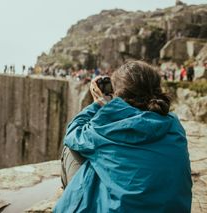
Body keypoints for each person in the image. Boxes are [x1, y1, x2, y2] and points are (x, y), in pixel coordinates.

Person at [55, 61, 192, 213]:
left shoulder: (106, 126)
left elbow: (73, 132)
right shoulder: (174, 124)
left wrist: (98, 104)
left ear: (119, 93)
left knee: (72, 149)